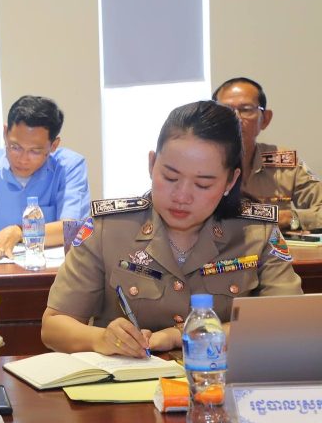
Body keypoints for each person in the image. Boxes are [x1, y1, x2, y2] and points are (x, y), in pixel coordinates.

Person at [41, 100, 302, 357]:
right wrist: (101, 338)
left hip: (219, 379)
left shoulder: (256, 232)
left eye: (202, 184)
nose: (182, 196)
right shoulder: (108, 228)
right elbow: (54, 326)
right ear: (152, 164)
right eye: (170, 177)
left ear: (230, 181)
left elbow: (289, 320)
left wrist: (184, 335)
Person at [0, 95, 90, 260]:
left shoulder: (69, 166)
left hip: (50, 270)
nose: (23, 159)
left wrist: (20, 232)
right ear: (5, 133)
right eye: (15, 147)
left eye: (35, 151)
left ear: (53, 145)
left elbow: (72, 229)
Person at [212, 77, 322, 231]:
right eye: (226, 110)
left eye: (246, 109)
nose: (236, 118)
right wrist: (270, 216)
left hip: (274, 246)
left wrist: (290, 218)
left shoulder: (285, 160)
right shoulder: (197, 164)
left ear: (265, 119)